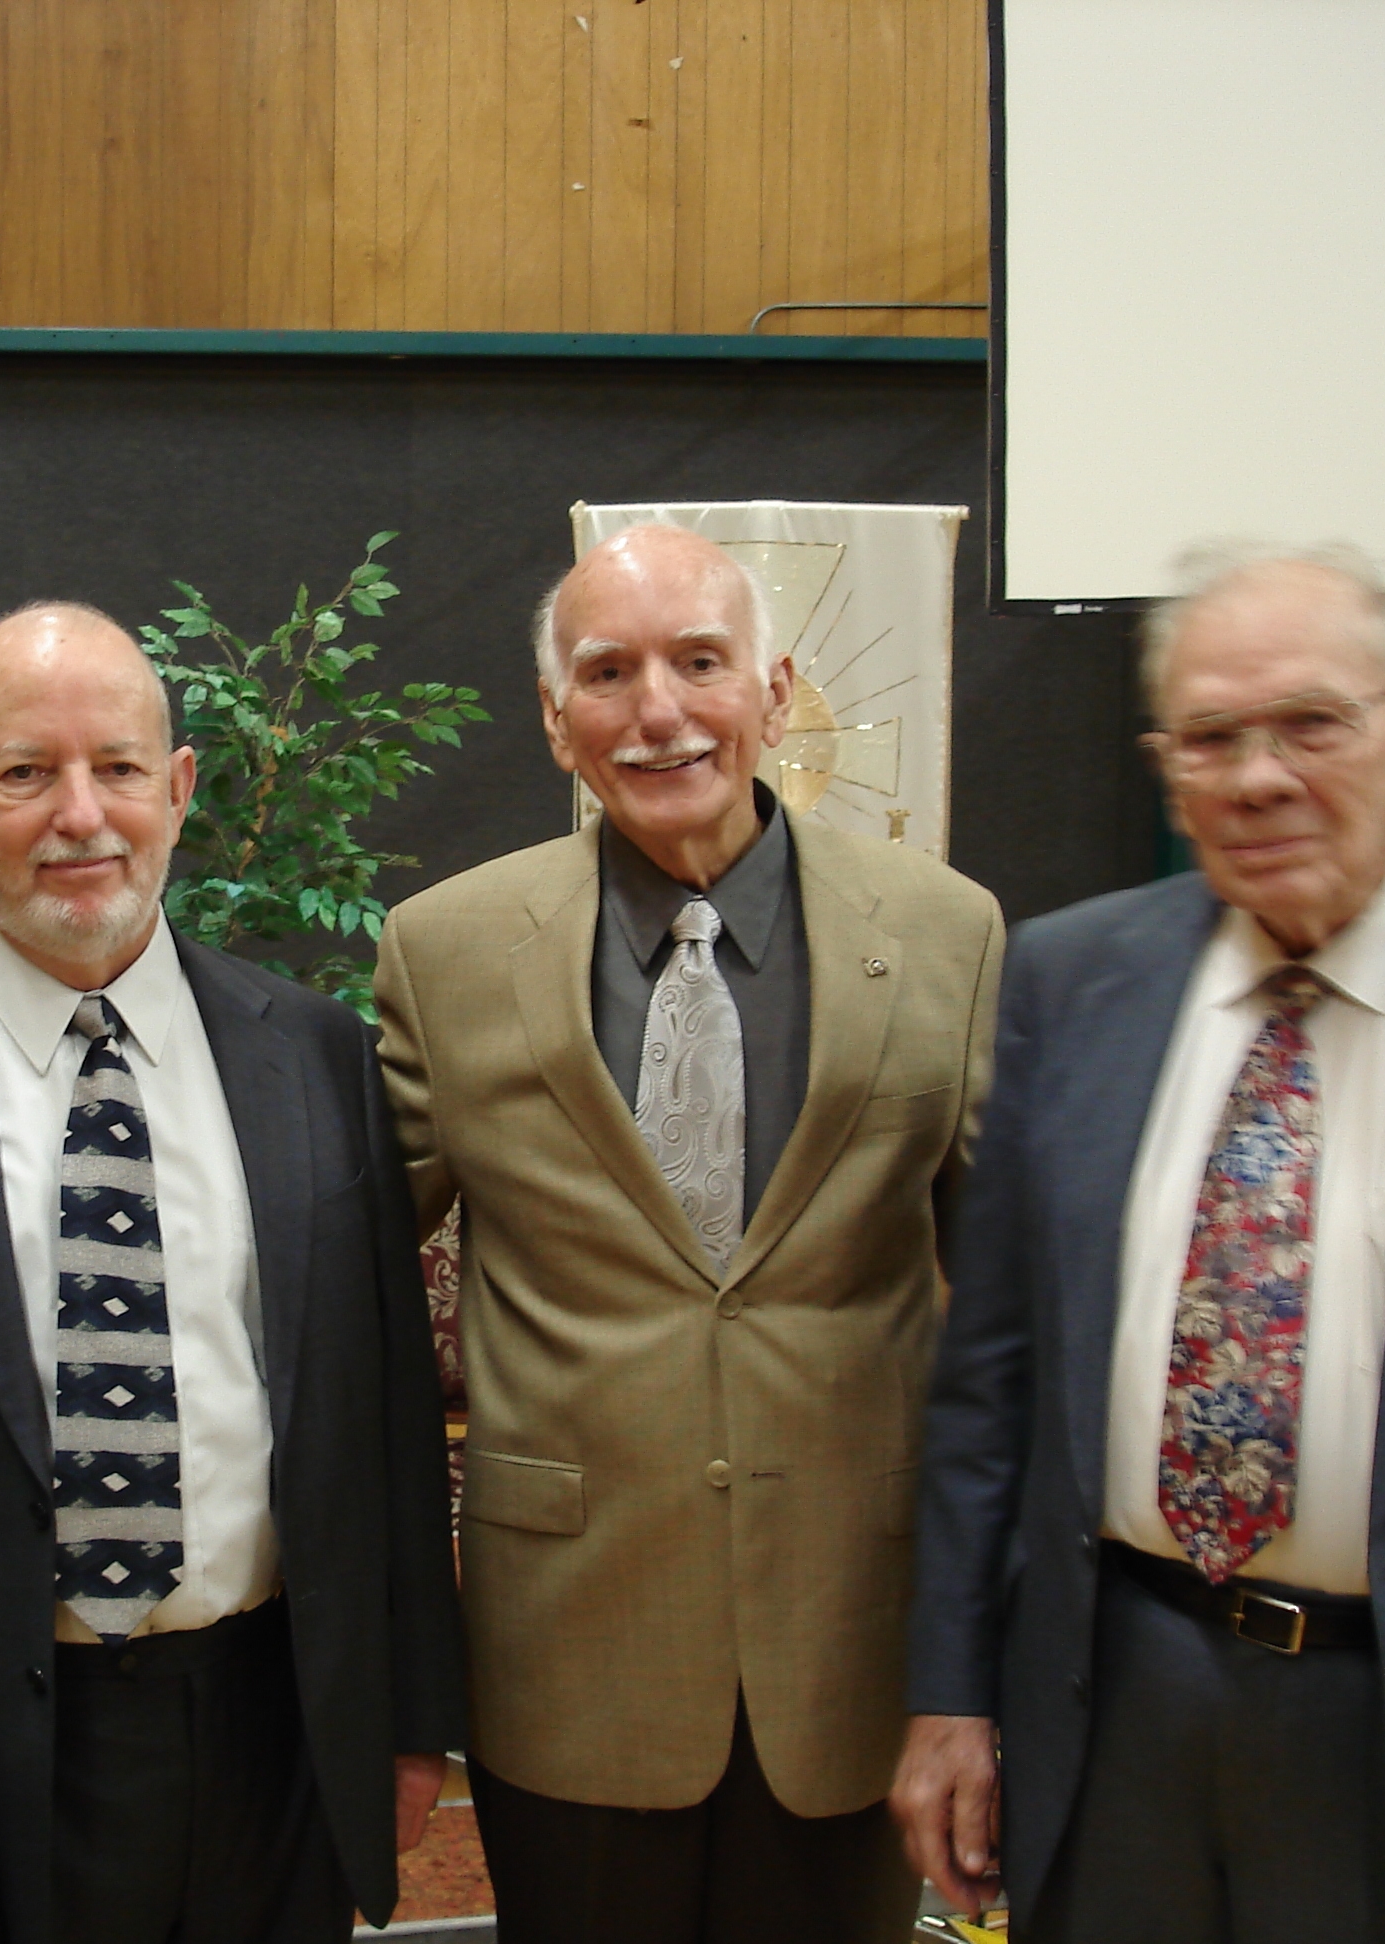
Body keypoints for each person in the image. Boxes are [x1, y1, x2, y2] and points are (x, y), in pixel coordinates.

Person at [897, 542, 1385, 1944]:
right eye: (1210, 738)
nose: (1257, 777)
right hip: (1115, 1723)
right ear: (1165, 769)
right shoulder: (1070, 981)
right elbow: (988, 1390)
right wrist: (950, 1696)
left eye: (1312, 722)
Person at [0, 602, 467, 1944]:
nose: (82, 816)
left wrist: (411, 1719)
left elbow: (388, 1415)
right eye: (26, 773)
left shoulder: (316, 1058)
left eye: (119, 768)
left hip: (276, 1730)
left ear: (177, 790)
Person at [371, 523, 1004, 1943]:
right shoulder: (445, 949)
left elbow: (1015, 1324)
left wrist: (985, 1664)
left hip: (852, 1657)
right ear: (557, 720)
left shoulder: (946, 934)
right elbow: (340, 1301)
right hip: (569, 1658)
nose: (658, 710)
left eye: (700, 662)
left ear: (773, 693)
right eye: (608, 672)